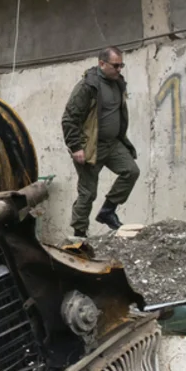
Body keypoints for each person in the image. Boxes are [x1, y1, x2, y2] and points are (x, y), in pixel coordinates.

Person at [60, 46, 139, 236]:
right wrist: (76, 147)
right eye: (115, 65)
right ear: (102, 64)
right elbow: (69, 118)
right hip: (90, 146)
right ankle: (79, 234)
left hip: (112, 144)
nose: (119, 69)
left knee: (131, 171)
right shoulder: (87, 86)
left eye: (121, 65)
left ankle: (107, 211)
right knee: (87, 193)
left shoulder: (118, 83)